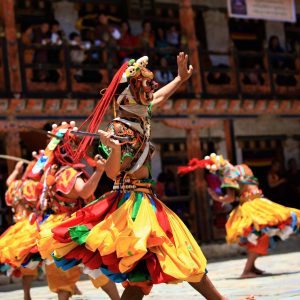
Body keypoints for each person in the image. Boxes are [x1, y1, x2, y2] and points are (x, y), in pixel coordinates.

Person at [50, 53, 254, 300]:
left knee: (152, 265)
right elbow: (114, 172)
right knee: (168, 251)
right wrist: (114, 149)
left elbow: (161, 96)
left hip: (146, 198)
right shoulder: (117, 128)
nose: (151, 89)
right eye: (146, 85)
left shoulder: (141, 116)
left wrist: (179, 78)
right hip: (129, 201)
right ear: (130, 92)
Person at [30, 121, 120, 300]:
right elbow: (85, 191)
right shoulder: (68, 173)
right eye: (74, 145)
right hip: (71, 227)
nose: (77, 149)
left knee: (62, 276)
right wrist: (99, 171)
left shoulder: (51, 173)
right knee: (96, 267)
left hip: (52, 228)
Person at [178, 154, 300, 279]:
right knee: (259, 233)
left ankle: (247, 269)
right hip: (259, 200)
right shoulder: (244, 167)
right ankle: (250, 267)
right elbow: (247, 188)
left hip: (251, 206)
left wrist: (216, 197)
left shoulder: (229, 176)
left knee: (257, 234)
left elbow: (230, 198)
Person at [0, 156, 41, 300]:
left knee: (28, 266)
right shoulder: (34, 186)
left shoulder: (15, 185)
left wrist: (16, 171)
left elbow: (8, 182)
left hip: (17, 228)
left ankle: (27, 294)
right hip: (30, 228)